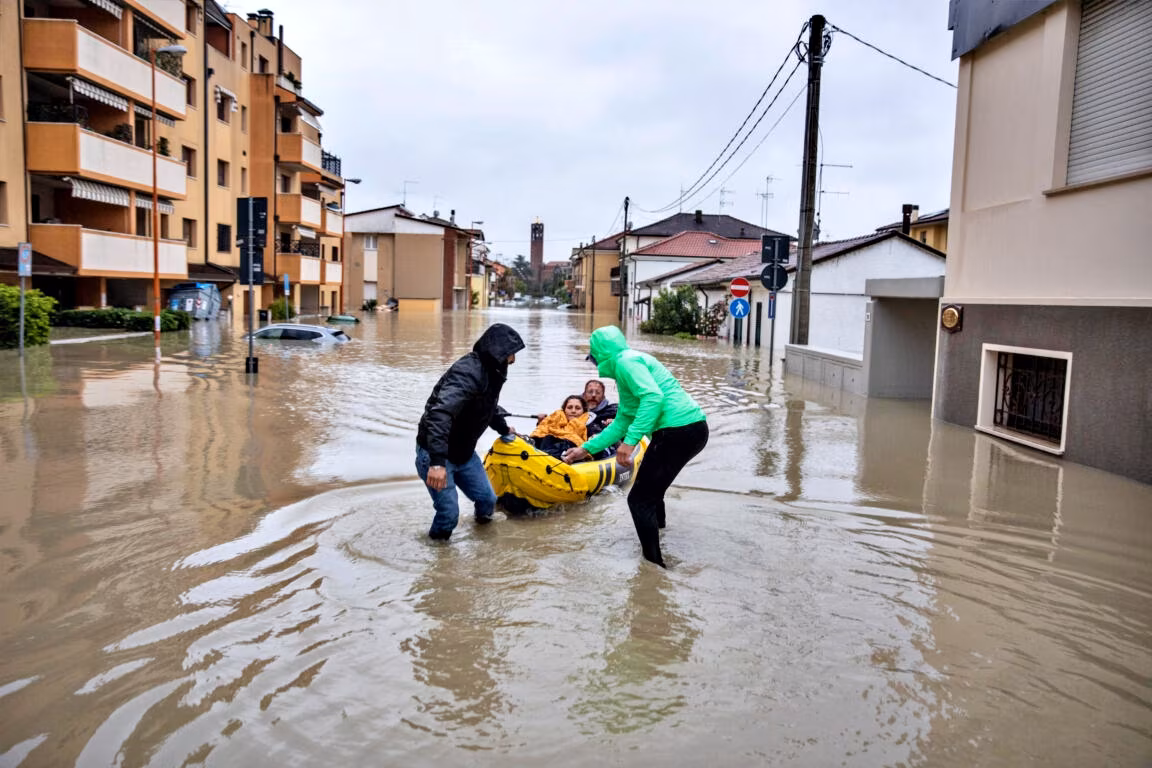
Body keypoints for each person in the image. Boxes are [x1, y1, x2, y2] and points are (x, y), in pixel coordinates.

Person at [561, 326, 708, 568]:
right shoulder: (627, 365)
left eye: (593, 357)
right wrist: (584, 449)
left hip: (678, 431)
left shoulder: (626, 363)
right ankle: (659, 536)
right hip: (689, 429)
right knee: (652, 493)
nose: (594, 363)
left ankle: (653, 568)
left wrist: (629, 443)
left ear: (601, 354)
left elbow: (653, 398)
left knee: (638, 500)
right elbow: (623, 420)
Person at [416, 323, 525, 540]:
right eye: (512, 353)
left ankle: (483, 540)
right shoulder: (468, 372)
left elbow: (488, 407)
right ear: (499, 351)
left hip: (464, 453)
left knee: (487, 501)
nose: (514, 359)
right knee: (449, 515)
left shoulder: (494, 371)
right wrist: (437, 463)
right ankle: (438, 557)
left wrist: (504, 429)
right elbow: (440, 414)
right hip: (437, 455)